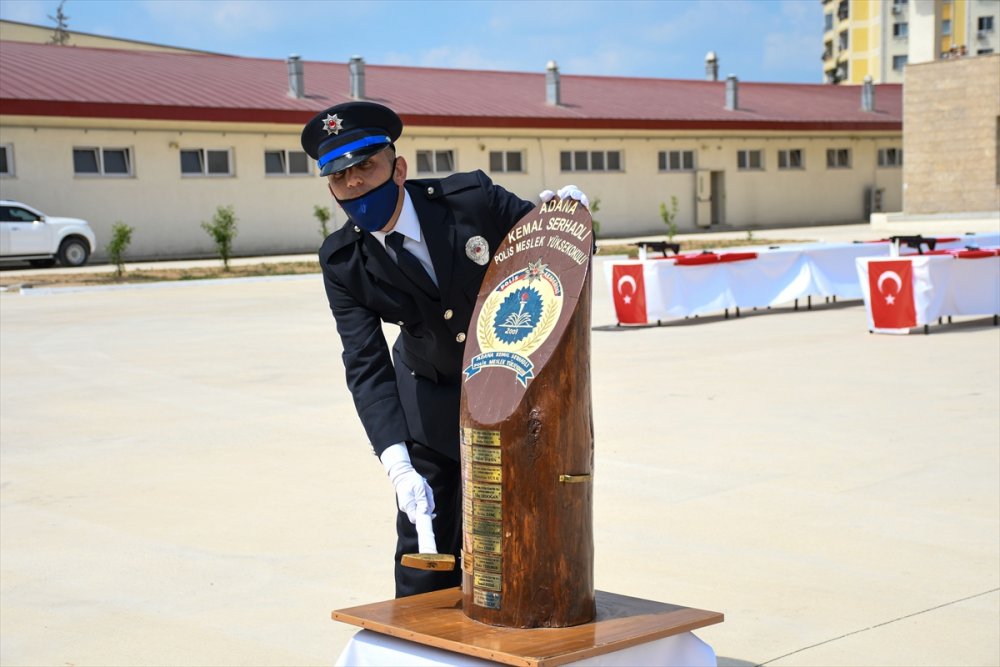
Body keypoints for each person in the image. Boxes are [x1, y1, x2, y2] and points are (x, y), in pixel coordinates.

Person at [301, 101, 587, 597]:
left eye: (366, 165)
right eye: (339, 175)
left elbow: (555, 250)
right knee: (424, 546)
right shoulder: (343, 260)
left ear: (398, 168)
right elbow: (365, 363)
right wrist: (396, 462)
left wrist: (572, 219)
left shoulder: (470, 200)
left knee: (515, 540)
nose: (355, 182)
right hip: (427, 400)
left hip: (511, 393)